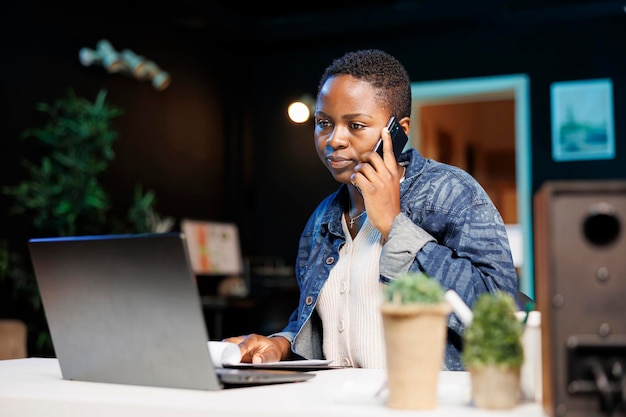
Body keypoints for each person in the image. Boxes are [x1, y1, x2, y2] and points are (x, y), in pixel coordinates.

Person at [225, 49, 518, 371]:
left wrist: (395, 225)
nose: (334, 139)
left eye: (356, 125)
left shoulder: (450, 193)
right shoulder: (322, 219)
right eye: (324, 123)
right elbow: (318, 324)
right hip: (339, 401)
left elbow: (499, 315)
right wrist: (281, 344)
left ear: (398, 130)